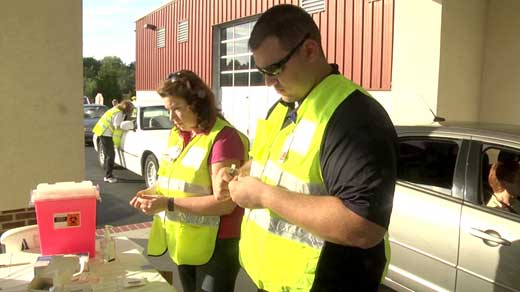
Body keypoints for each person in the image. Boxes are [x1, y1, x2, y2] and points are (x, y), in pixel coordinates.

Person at [214, 5, 397, 292]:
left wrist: (263, 195)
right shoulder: (283, 107)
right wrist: (238, 173)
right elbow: (267, 164)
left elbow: (363, 227)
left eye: (275, 69)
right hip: (276, 281)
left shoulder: (354, 117)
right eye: (262, 71)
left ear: (310, 50)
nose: (269, 82)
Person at [129, 70, 248, 292]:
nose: (172, 117)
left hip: (217, 245)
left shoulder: (224, 139)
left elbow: (224, 203)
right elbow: (171, 180)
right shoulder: (178, 134)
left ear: (197, 104)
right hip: (185, 241)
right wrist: (152, 192)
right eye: (168, 110)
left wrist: (167, 203)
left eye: (177, 109)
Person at [92, 100, 134, 183]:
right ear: (127, 109)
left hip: (102, 131)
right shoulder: (119, 113)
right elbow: (117, 125)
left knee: (107, 154)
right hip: (106, 134)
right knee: (110, 155)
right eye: (131, 110)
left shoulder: (115, 109)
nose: (131, 112)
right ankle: (108, 176)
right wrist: (128, 125)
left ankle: (108, 173)